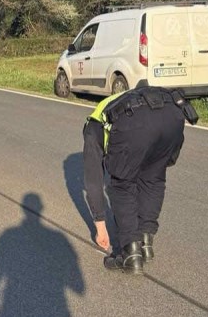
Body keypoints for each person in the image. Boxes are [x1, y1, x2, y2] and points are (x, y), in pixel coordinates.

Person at [83, 85, 198, 275]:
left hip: (137, 121)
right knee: (153, 177)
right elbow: (166, 161)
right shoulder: (113, 102)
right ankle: (145, 243)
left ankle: (130, 254)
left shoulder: (92, 129)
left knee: (122, 183)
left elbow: (93, 181)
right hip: (174, 114)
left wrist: (100, 227)